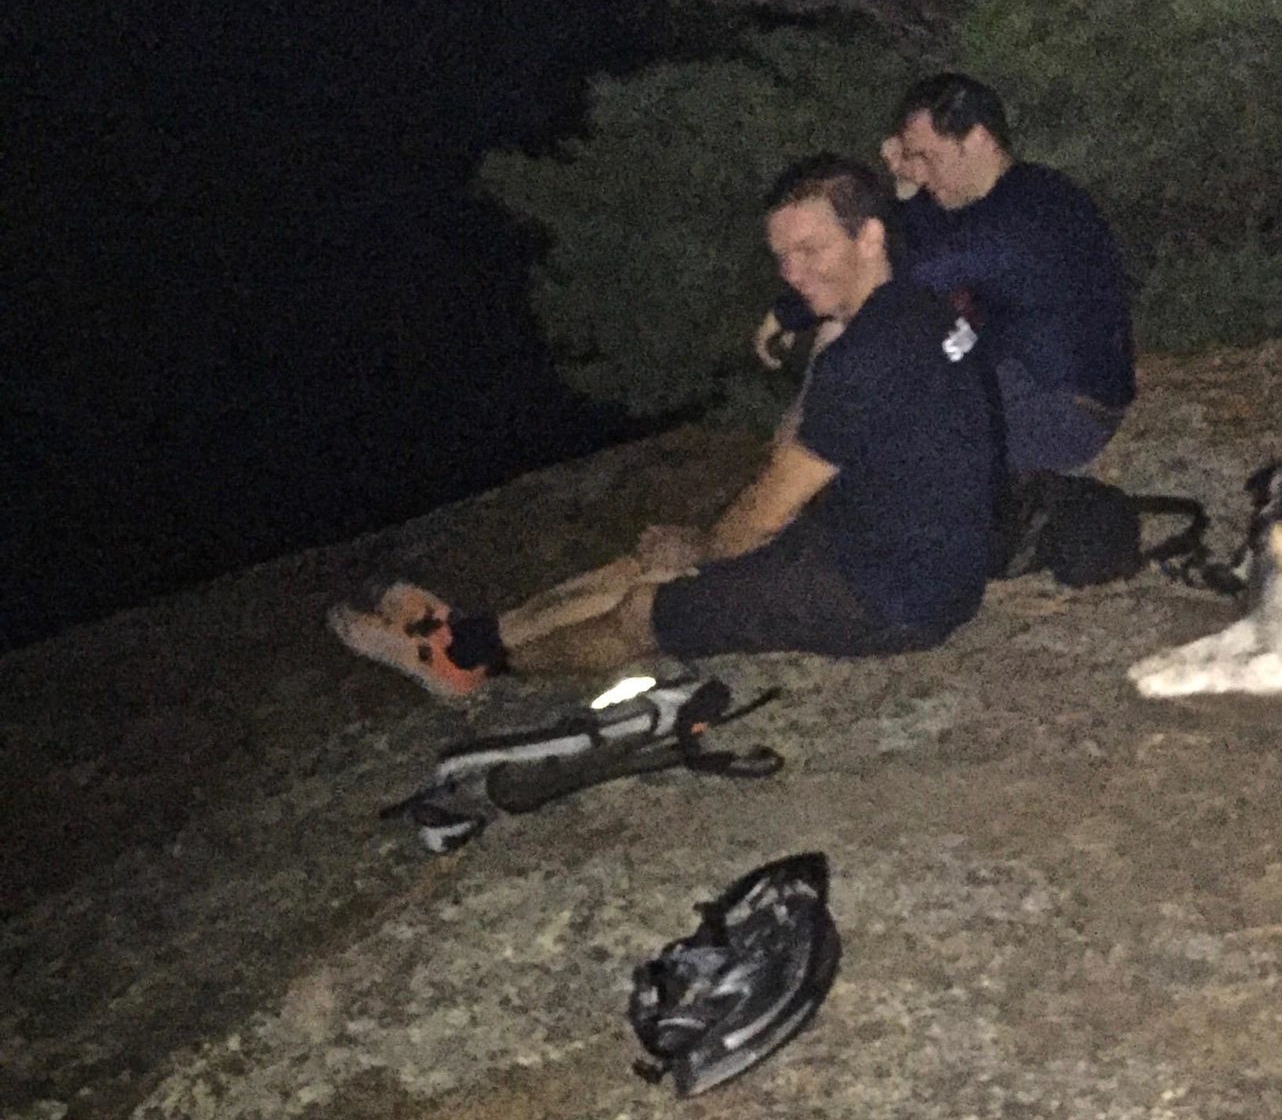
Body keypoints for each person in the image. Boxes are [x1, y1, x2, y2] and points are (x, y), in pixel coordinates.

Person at [329, 156, 1002, 698]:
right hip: (903, 547)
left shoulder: (870, 357)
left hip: (893, 596)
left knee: (644, 608)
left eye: (809, 250)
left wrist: (702, 549)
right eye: (781, 256)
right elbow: (806, 439)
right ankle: (470, 636)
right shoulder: (916, 302)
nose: (792, 274)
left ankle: (476, 670)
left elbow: (767, 510)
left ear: (870, 237)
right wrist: (819, 329)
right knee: (650, 560)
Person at [760, 73, 1135, 476]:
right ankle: (796, 462)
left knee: (868, 381)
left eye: (927, 157)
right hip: (1014, 373)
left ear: (977, 139)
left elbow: (910, 274)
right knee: (858, 340)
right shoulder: (988, 199)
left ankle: (797, 470)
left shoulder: (1032, 211)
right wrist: (904, 186)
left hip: (1060, 411)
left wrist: (793, 311)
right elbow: (908, 245)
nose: (920, 173)